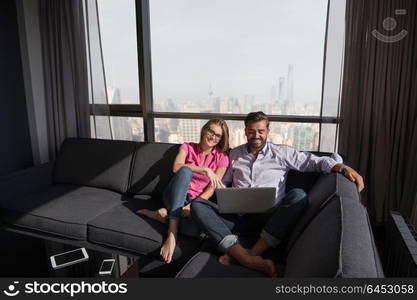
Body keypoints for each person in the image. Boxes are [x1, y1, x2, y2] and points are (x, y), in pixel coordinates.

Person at [191, 111, 365, 276]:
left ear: (268, 131)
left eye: (260, 131)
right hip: (238, 219)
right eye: (251, 131)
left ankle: (250, 253)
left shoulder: (281, 152)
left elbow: (314, 162)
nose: (256, 135)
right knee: (198, 205)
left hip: (272, 221)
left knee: (298, 195)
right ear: (245, 131)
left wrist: (341, 167)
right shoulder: (235, 154)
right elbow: (224, 182)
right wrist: (221, 190)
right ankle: (246, 258)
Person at [137, 119, 230, 264]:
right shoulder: (187, 147)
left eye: (218, 135)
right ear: (204, 130)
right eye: (211, 131)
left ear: (221, 139)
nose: (213, 137)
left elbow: (212, 188)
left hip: (194, 201)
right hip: (173, 195)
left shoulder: (222, 158)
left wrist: (193, 205)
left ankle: (163, 217)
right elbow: (176, 167)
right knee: (185, 170)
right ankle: (172, 232)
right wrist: (205, 169)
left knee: (196, 231)